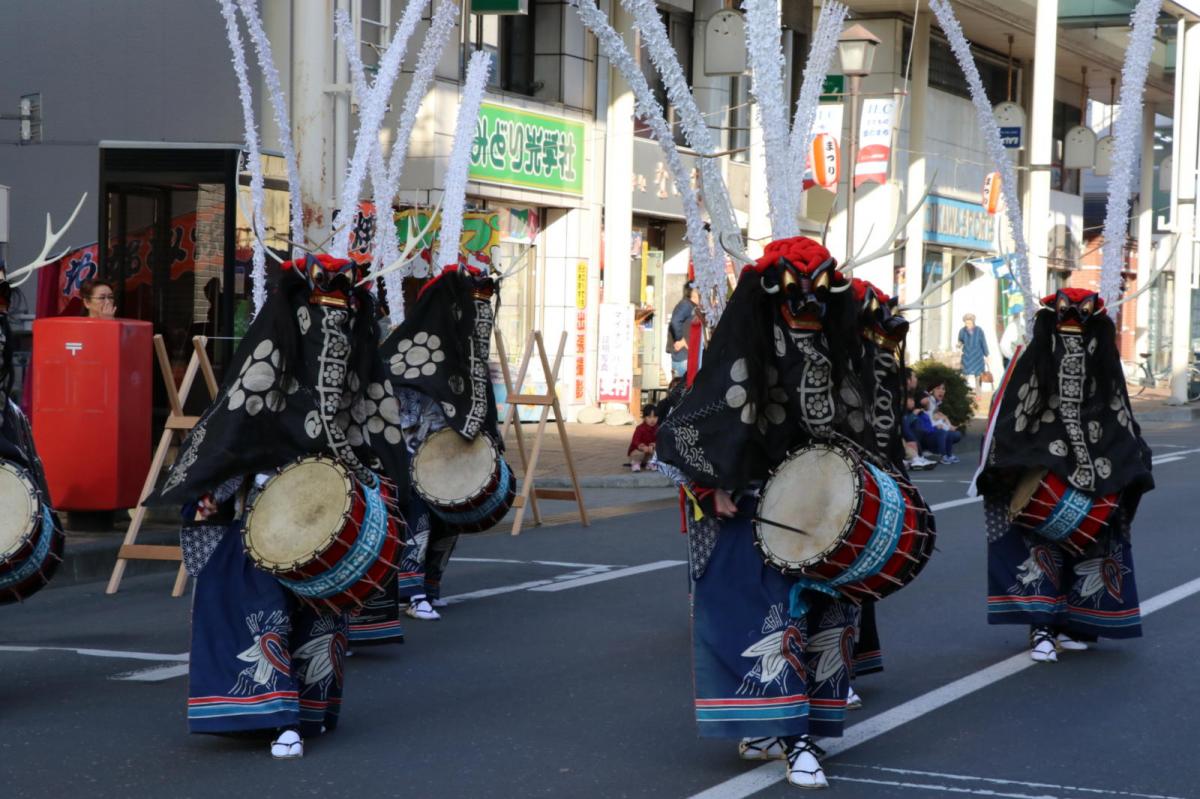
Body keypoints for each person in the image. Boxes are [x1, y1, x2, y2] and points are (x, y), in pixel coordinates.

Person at [152, 254, 413, 759]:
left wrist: (370, 485)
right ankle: (277, 715)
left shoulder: (355, 370)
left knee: (319, 609)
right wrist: (214, 494)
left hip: (328, 503)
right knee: (261, 607)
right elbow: (234, 431)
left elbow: (367, 431)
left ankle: (300, 714)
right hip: (260, 508)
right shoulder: (270, 364)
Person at [656, 237, 885, 789]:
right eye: (795, 298)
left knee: (828, 618)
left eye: (817, 297)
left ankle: (788, 727)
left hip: (831, 505)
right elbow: (695, 421)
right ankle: (791, 736)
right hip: (761, 503)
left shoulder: (838, 345)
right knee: (775, 620)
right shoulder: (747, 345)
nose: (807, 310)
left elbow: (865, 420)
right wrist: (715, 483)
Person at [973, 289, 1152, 663]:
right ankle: (1041, 626)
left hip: (1096, 460)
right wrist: (1014, 461)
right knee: (1037, 546)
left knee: (1095, 539)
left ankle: (1074, 623)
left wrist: (1128, 459)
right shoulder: (1032, 359)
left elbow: (1118, 411)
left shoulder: (1104, 362)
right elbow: (1012, 410)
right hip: (1043, 465)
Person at [667, 281, 698, 379]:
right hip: (684, 359)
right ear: (692, 292)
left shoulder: (692, 306)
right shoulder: (686, 304)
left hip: (685, 358)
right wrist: (681, 340)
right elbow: (675, 321)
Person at [957, 313, 988, 388]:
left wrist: (986, 354)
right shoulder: (962, 331)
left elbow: (983, 342)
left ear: (973, 322)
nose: (967, 324)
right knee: (964, 375)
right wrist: (959, 344)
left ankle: (978, 394)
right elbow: (960, 340)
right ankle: (963, 392)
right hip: (967, 356)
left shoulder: (979, 330)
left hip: (977, 356)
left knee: (978, 376)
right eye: (966, 322)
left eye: (969, 322)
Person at [627, 404, 658, 471]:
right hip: (638, 453)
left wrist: (654, 444)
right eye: (649, 417)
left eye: (655, 417)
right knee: (638, 453)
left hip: (649, 454)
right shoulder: (640, 428)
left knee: (659, 450)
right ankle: (635, 463)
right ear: (644, 417)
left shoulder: (658, 428)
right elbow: (635, 441)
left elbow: (660, 440)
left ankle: (650, 463)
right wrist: (642, 446)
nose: (652, 420)